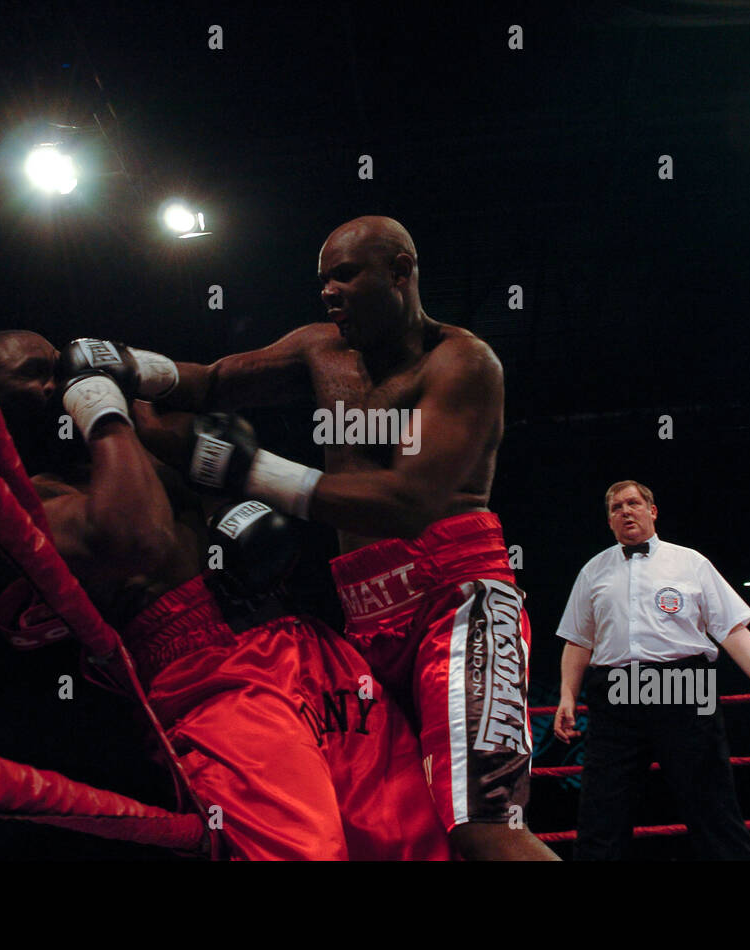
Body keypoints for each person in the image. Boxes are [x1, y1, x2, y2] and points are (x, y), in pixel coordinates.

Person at [83, 216, 556, 859]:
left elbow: (408, 502)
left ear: (400, 271)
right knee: (405, 830)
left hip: (459, 601)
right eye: (322, 279)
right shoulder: (321, 348)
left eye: (345, 275)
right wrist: (127, 366)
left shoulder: (462, 362)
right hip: (365, 616)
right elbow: (214, 380)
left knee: (485, 831)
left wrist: (250, 469)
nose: (328, 292)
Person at [0, 330, 451, 861]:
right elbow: (139, 540)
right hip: (206, 674)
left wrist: (134, 385)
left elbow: (216, 433)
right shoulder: (14, 507)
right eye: (31, 376)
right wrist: (101, 410)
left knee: (413, 842)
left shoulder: (134, 438)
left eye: (56, 367)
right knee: (303, 852)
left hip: (303, 639)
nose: (54, 383)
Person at [552, 479, 750, 860]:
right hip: (617, 691)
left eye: (633, 503)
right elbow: (578, 641)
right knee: (602, 810)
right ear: (609, 521)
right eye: (616, 508)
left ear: (652, 511)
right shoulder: (593, 570)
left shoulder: (690, 562)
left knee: (711, 804)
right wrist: (567, 696)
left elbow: (730, 627)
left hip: (685, 684)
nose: (625, 512)